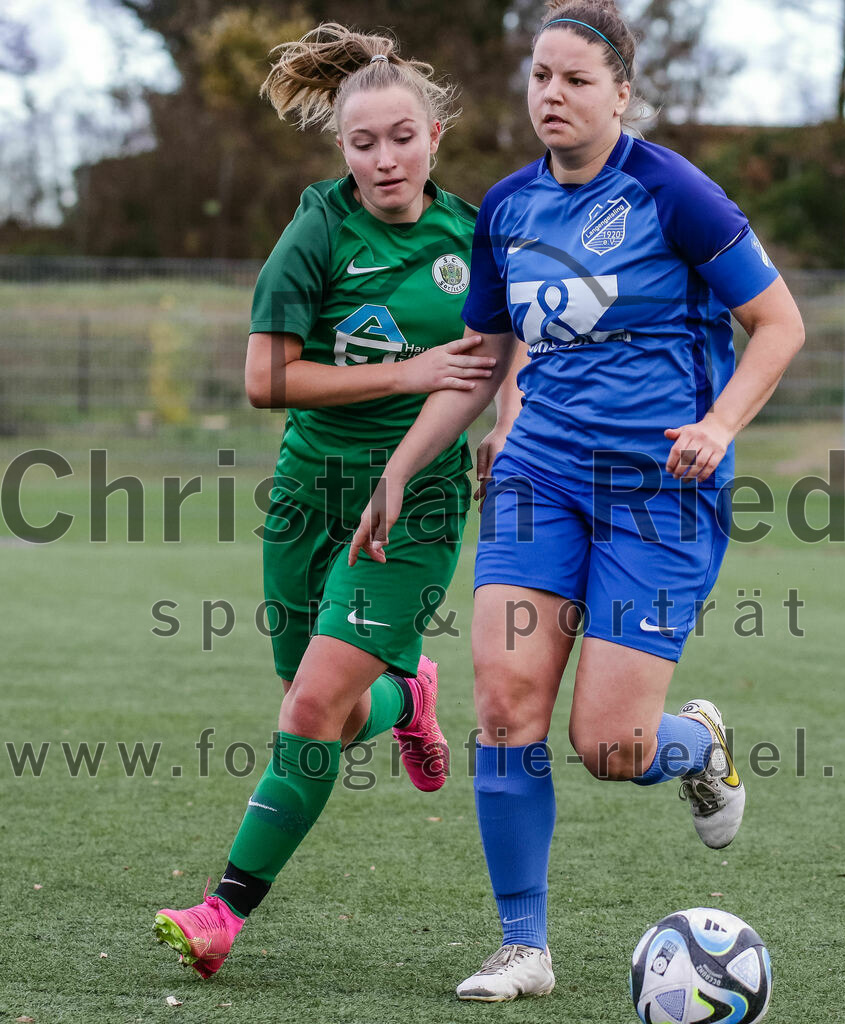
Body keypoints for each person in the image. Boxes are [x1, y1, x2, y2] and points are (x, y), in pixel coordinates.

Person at [349, 0, 805, 1002]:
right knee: (507, 701)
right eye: (540, 77)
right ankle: (524, 946)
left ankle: (699, 744)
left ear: (622, 93)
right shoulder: (507, 209)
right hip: (536, 482)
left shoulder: (671, 190)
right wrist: (402, 467)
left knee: (610, 746)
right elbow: (480, 365)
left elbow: (776, 323)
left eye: (575, 79)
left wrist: (720, 425)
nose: (551, 94)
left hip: (659, 494)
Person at [152, 23, 495, 980]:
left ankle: (225, 909)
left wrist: (497, 416)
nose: (382, 159)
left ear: (434, 135)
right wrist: (407, 371)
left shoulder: (475, 240)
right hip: (309, 494)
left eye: (399, 137)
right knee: (333, 714)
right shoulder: (318, 229)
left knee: (307, 710)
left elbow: (501, 356)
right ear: (340, 148)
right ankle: (408, 695)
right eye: (361, 142)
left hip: (416, 506)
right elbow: (266, 380)